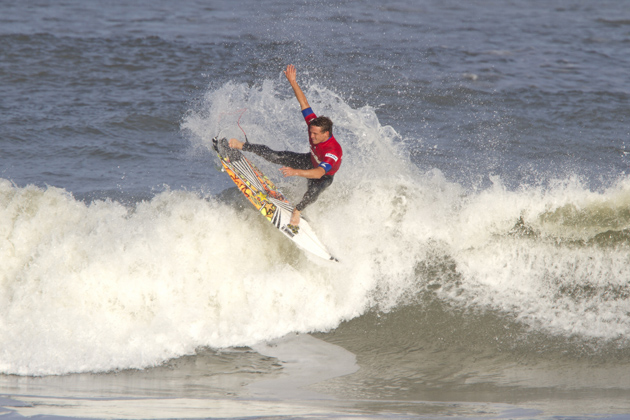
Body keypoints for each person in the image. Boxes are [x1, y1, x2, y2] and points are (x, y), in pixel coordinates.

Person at [229, 64, 342, 228]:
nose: (311, 136)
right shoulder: (314, 125)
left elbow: (318, 173)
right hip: (309, 160)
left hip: (323, 175)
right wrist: (293, 82)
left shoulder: (333, 151)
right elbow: (304, 103)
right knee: (276, 155)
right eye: (310, 132)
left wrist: (295, 172)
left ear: (326, 134)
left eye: (315, 134)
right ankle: (242, 145)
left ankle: (298, 210)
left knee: (312, 193)